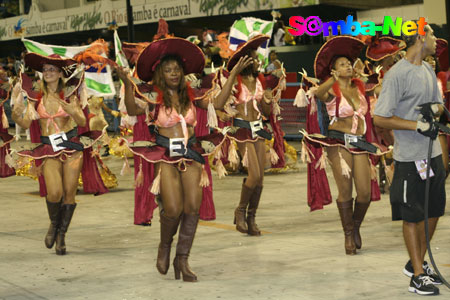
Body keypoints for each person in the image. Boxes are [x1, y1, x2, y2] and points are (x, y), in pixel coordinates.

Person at [116, 37, 231, 282]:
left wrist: (233, 76)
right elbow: (133, 110)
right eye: (168, 70)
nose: (174, 73)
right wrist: (127, 83)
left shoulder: (192, 96)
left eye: (177, 69)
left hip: (190, 154)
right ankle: (164, 246)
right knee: (174, 208)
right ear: (160, 73)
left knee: (192, 208)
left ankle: (183, 260)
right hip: (165, 156)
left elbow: (219, 103)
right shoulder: (153, 98)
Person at [374, 25, 444, 295]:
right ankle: (417, 275)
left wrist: (434, 112)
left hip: (432, 154)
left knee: (434, 211)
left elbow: (437, 104)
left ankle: (415, 262)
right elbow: (379, 118)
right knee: (413, 215)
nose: (437, 41)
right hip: (410, 158)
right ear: (420, 37)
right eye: (433, 35)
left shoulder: (427, 70)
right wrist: (416, 124)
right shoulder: (396, 75)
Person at [302, 36, 386, 255]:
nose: (348, 65)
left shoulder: (360, 88)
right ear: (334, 70)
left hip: (360, 143)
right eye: (342, 64)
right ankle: (348, 235)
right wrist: (333, 78)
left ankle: (355, 226)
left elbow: (379, 90)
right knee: (346, 190)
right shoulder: (332, 91)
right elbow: (318, 94)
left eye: (349, 63)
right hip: (338, 143)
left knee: (365, 194)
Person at [11, 53, 86, 255]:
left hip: (71, 147)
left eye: (52, 69)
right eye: (45, 70)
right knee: (54, 192)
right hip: (48, 149)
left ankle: (61, 235)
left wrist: (73, 110)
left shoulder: (70, 94)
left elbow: (82, 122)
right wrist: (15, 115)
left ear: (61, 74)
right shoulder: (36, 96)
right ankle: (54, 224)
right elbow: (26, 123)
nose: (48, 73)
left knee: (69, 193)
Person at [213, 35, 278, 236]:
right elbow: (217, 104)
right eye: (254, 58)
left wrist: (267, 101)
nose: (258, 61)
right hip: (242, 130)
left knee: (260, 180)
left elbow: (266, 113)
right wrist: (232, 75)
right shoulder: (235, 79)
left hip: (259, 129)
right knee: (254, 175)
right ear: (245, 60)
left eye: (257, 58)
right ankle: (240, 210)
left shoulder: (260, 79)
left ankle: (251, 217)